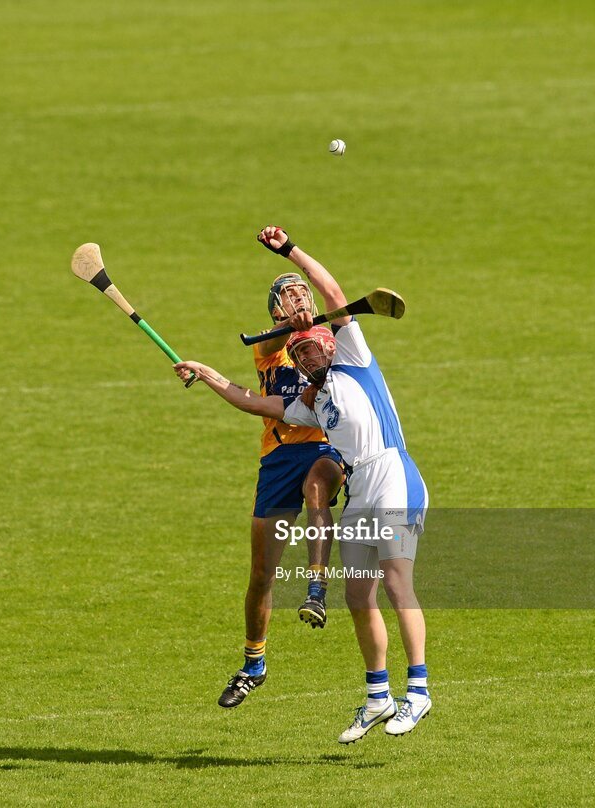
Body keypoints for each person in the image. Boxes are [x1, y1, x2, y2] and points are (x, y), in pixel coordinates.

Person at [175, 226, 431, 742]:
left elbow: (335, 297)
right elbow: (253, 400)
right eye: (304, 351)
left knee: (398, 583)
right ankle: (377, 695)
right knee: (360, 596)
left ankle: (419, 692)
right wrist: (205, 373)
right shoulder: (309, 401)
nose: (312, 355)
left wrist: (291, 250)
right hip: (361, 493)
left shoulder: (355, 360)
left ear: (330, 342)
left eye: (317, 346)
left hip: (395, 481)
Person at [215, 269, 346, 710]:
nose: (296, 300)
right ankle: (254, 663)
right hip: (277, 460)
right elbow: (270, 347)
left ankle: (316, 589)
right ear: (274, 309)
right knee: (261, 576)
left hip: (325, 448)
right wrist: (283, 329)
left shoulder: (326, 342)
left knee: (317, 489)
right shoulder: (269, 350)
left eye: (300, 293)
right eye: (286, 296)